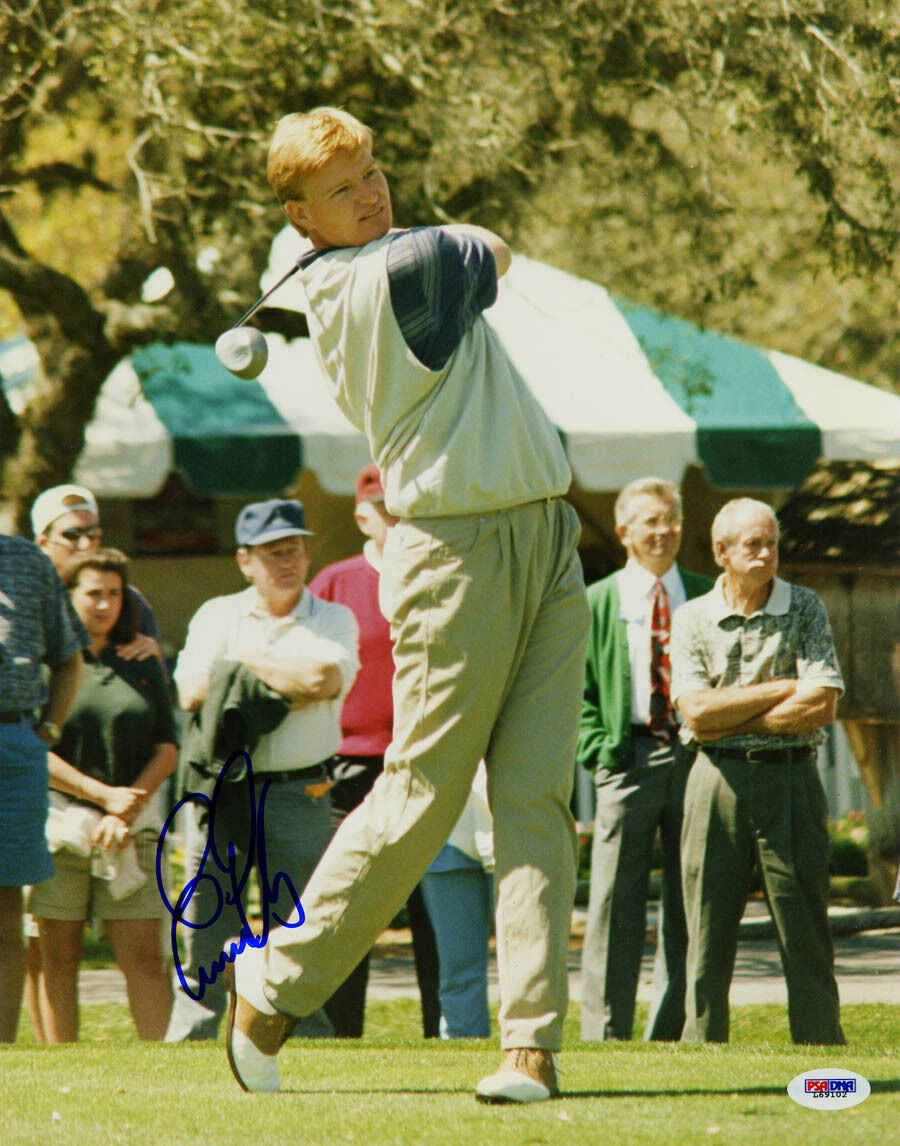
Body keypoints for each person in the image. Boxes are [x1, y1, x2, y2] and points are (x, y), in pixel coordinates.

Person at [224, 106, 590, 1104]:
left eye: (374, 171)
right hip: (457, 552)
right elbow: (493, 248)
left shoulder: (367, 260)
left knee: (535, 802)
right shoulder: (386, 277)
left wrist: (372, 219)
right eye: (345, 188)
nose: (373, 192)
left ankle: (530, 1045)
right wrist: (398, 232)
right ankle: (276, 981)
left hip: (545, 536)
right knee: (423, 793)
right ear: (300, 219)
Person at [164, 498, 359, 1041]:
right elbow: (193, 692)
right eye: (273, 552)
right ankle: (198, 1036)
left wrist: (237, 670)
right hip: (223, 790)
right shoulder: (214, 614)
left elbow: (323, 680)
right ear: (245, 561)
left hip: (303, 789)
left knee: (299, 922)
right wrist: (279, 680)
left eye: (294, 548)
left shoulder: (333, 618)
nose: (287, 561)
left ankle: (302, 1036)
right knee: (206, 915)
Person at [671, 497, 845, 1044]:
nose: (767, 553)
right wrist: (778, 689)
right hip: (714, 781)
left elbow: (821, 705)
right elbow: (695, 713)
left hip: (792, 779)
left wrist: (732, 718)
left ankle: (821, 1054)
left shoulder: (806, 607)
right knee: (706, 927)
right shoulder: (692, 616)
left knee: (805, 927)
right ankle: (702, 1055)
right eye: (753, 544)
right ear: (722, 552)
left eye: (772, 542)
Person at [308, 463, 440, 1039]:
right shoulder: (334, 584)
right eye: (385, 508)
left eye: (403, 507)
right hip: (349, 767)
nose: (396, 519)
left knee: (432, 912)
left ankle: (445, 1032)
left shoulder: (438, 574)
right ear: (362, 514)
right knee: (350, 902)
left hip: (425, 760)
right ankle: (342, 1034)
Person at [577, 477, 712, 1042]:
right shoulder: (598, 601)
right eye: (649, 522)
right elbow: (575, 690)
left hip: (696, 757)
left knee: (691, 894)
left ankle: (674, 1026)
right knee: (613, 899)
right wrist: (600, 753)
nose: (662, 532)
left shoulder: (707, 596)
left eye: (670, 520)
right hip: (626, 757)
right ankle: (605, 1031)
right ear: (625, 531)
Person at [26, 549, 177, 1041]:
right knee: (58, 959)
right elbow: (35, 751)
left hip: (132, 827)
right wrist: (100, 797)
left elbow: (167, 748)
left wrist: (125, 806)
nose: (105, 604)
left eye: (115, 593)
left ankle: (165, 1072)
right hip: (59, 827)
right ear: (68, 597)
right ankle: (62, 1068)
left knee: (146, 960)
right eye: (93, 592)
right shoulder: (47, 666)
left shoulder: (143, 661)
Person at [0, 532, 87, 1042]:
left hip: (15, 744)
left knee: (7, 904)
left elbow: (69, 657)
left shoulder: (27, 560)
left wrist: (47, 732)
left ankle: (3, 1049)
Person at [31, 484, 164, 663]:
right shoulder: (23, 600)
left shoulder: (128, 599)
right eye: (72, 534)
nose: (85, 544)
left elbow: (161, 680)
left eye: (92, 533)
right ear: (43, 543)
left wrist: (152, 654)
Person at [420, 761, 495, 1039]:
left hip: (511, 827)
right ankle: (463, 1061)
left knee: (526, 970)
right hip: (444, 828)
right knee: (458, 973)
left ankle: (530, 1058)